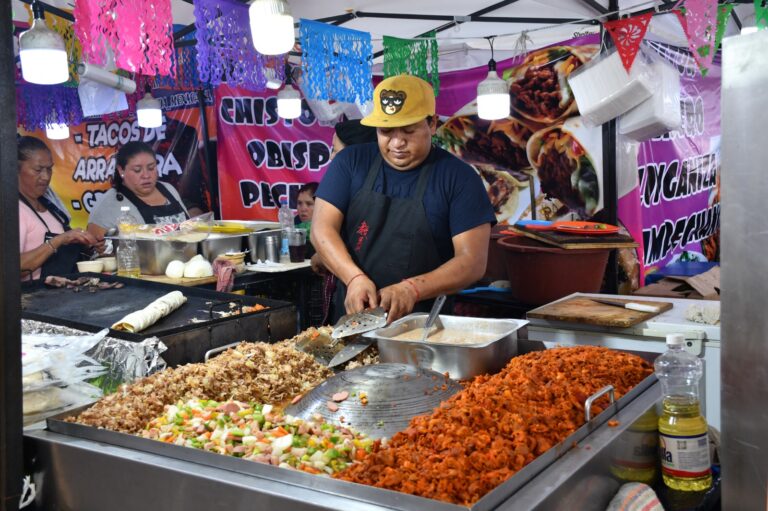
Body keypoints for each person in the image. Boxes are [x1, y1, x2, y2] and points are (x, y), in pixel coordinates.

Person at [312, 75, 496, 322]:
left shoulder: (459, 178)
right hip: (353, 319)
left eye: (409, 130)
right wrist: (354, 278)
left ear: (432, 123)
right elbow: (321, 229)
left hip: (425, 328)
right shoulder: (351, 163)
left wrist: (413, 288)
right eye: (386, 131)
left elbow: (472, 261)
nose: (397, 143)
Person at [18, 136, 99, 279]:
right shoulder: (15, 211)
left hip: (62, 292)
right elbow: (12, 268)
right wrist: (58, 240)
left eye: (49, 169)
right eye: (38, 170)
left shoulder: (50, 205)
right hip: (33, 298)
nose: (45, 176)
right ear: (16, 169)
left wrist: (85, 244)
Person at [87, 141, 189, 238]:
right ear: (121, 170)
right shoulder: (108, 204)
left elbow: (190, 228)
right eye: (137, 170)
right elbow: (94, 246)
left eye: (151, 168)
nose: (146, 175)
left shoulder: (168, 189)